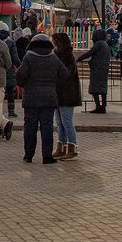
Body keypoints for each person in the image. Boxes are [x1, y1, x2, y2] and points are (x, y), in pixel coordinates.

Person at [16, 32, 70, 164]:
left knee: (30, 127)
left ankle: (28, 155)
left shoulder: (28, 58)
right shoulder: (53, 58)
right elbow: (64, 74)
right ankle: (47, 156)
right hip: (49, 98)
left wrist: (26, 84)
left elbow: (20, 78)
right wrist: (53, 84)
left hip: (31, 99)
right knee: (47, 127)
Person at [52, 31, 81, 161]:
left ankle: (72, 146)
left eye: (55, 43)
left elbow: (66, 74)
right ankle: (61, 146)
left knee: (67, 121)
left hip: (67, 93)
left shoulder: (68, 56)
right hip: (58, 93)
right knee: (59, 122)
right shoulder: (57, 56)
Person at [76, 28, 111, 112]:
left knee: (95, 88)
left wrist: (79, 59)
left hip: (97, 68)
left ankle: (98, 106)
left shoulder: (99, 44)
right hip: (103, 68)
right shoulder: (105, 44)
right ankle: (103, 106)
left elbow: (90, 53)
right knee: (102, 88)